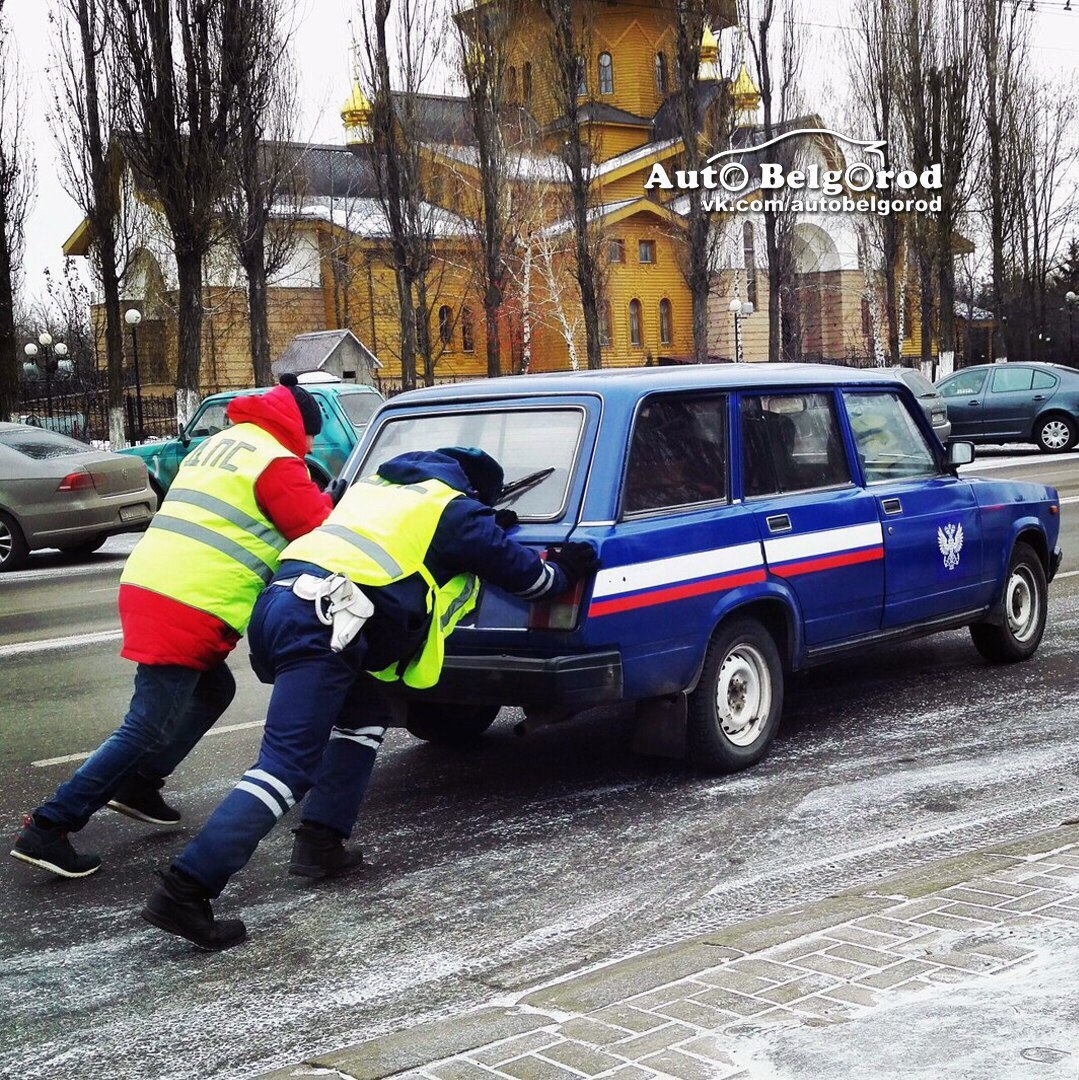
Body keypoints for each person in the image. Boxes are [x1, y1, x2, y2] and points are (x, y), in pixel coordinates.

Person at [141, 446, 600, 950]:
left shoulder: (377, 490)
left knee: (364, 717)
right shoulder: (458, 511)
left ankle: (322, 840)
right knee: (285, 767)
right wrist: (567, 565)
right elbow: (534, 581)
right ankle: (186, 889)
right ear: (475, 492)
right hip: (326, 623)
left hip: (287, 604)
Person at [10, 375, 333, 879]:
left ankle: (139, 784)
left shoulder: (221, 444)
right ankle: (50, 825)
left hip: (151, 583)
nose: (311, 446)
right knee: (146, 723)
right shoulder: (277, 461)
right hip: (188, 601)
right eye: (311, 437)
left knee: (212, 690)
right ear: (299, 428)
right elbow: (317, 533)